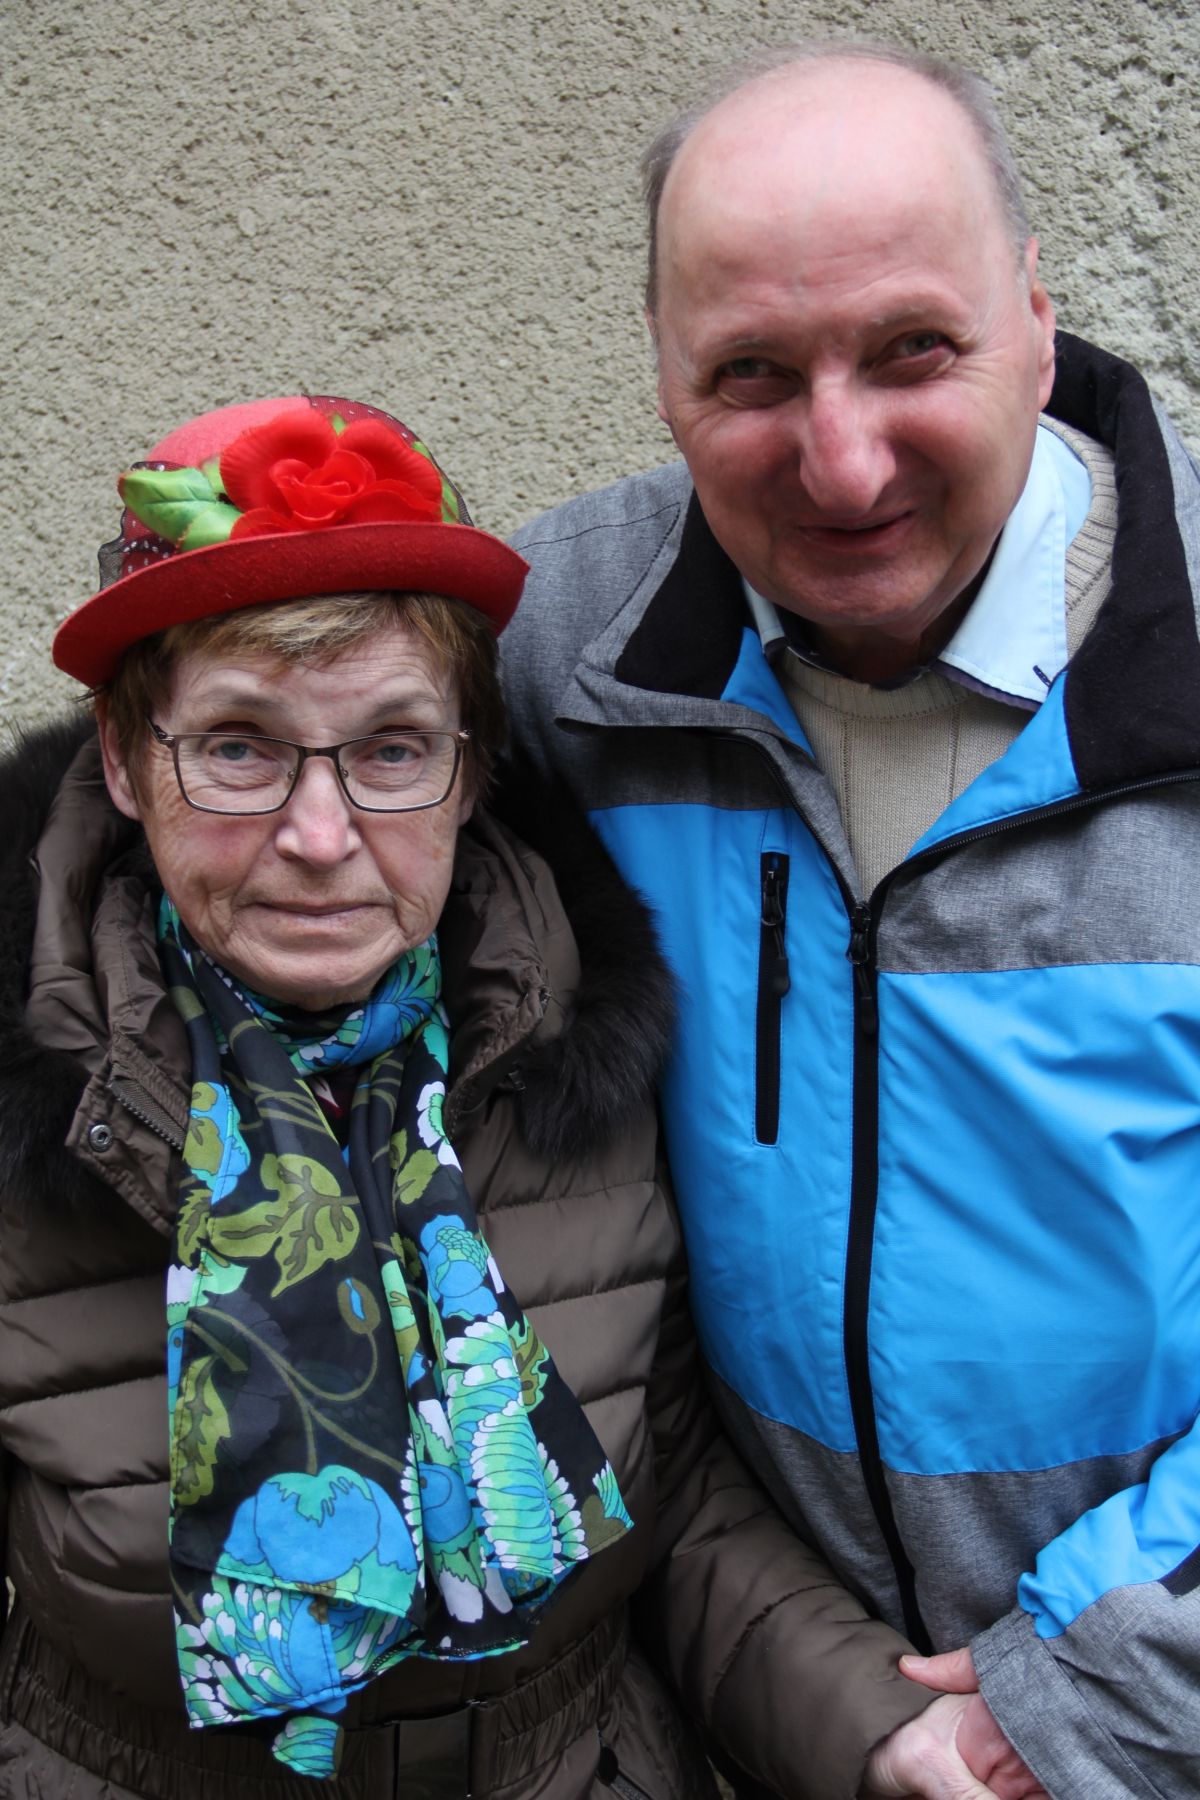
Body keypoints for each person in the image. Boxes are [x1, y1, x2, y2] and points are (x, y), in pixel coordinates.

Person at [0, 392, 919, 1798]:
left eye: (392, 748)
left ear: (471, 769)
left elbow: (677, 1502)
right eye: (238, 746)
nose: (320, 837)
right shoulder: (42, 1106)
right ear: (127, 762)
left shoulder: (573, 1053)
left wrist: (885, 1733)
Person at [500, 39, 1200, 1800]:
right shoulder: (562, 653)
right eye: (750, 371)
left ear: (1036, 315)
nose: (839, 460)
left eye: (914, 350)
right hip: (773, 1721)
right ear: (661, 370)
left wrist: (1088, 1696)